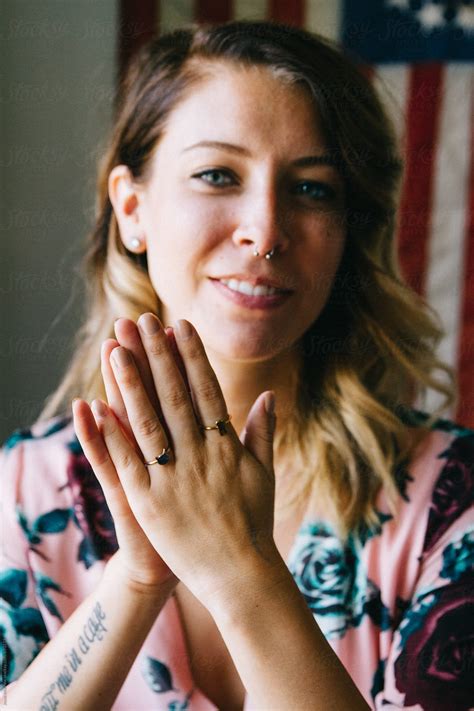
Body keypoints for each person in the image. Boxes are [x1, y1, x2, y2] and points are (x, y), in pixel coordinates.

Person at [1, 20, 473, 711]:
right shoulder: (25, 489)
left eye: (313, 189)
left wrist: (235, 567)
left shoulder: (448, 504)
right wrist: (137, 577)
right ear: (132, 208)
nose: (265, 229)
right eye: (218, 175)